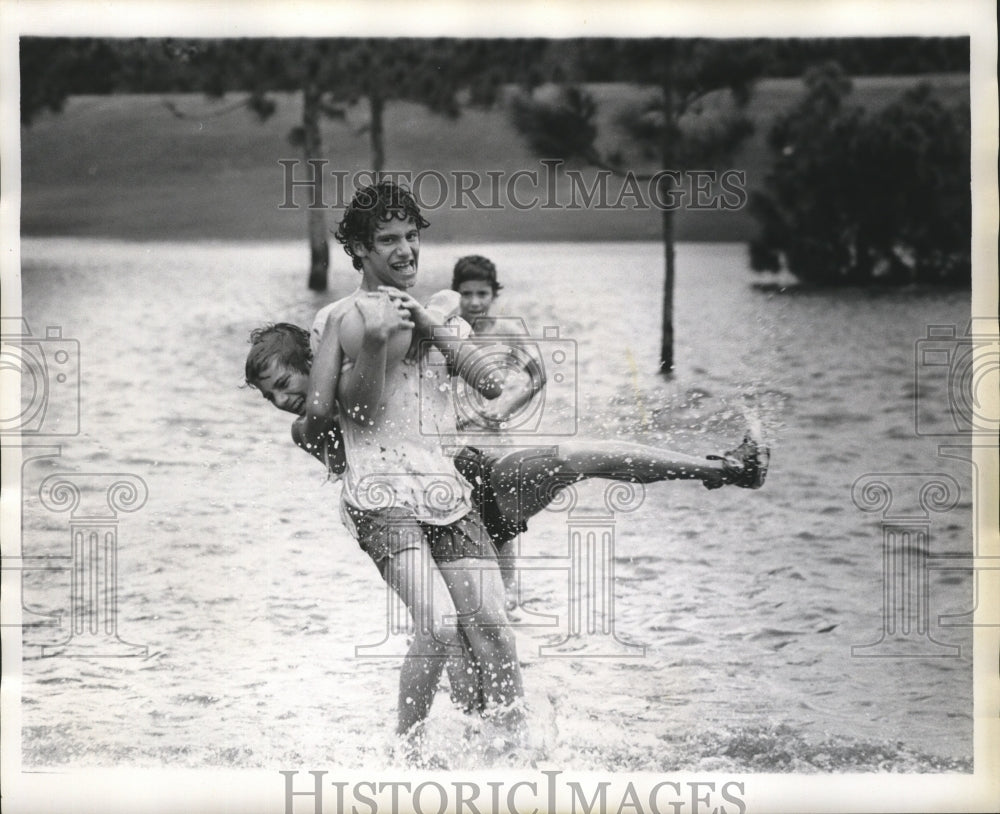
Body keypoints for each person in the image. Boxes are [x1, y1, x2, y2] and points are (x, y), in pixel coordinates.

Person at [282, 181, 524, 746]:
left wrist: (428, 321)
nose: (405, 250)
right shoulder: (336, 319)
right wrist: (373, 343)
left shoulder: (435, 311)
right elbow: (347, 413)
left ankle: (517, 749)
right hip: (378, 496)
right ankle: (407, 752)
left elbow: (491, 384)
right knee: (439, 625)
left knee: (494, 628)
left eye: (411, 236)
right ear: (360, 250)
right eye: (388, 239)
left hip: (445, 490)